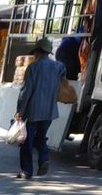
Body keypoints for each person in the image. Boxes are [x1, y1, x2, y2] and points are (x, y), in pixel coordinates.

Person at [14, 37, 66, 179]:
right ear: (48, 52)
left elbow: (26, 92)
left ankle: (27, 171)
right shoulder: (59, 67)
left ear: (37, 52)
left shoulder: (33, 67)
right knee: (41, 137)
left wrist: (20, 111)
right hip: (50, 111)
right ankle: (44, 159)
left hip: (33, 111)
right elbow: (63, 80)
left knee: (26, 141)